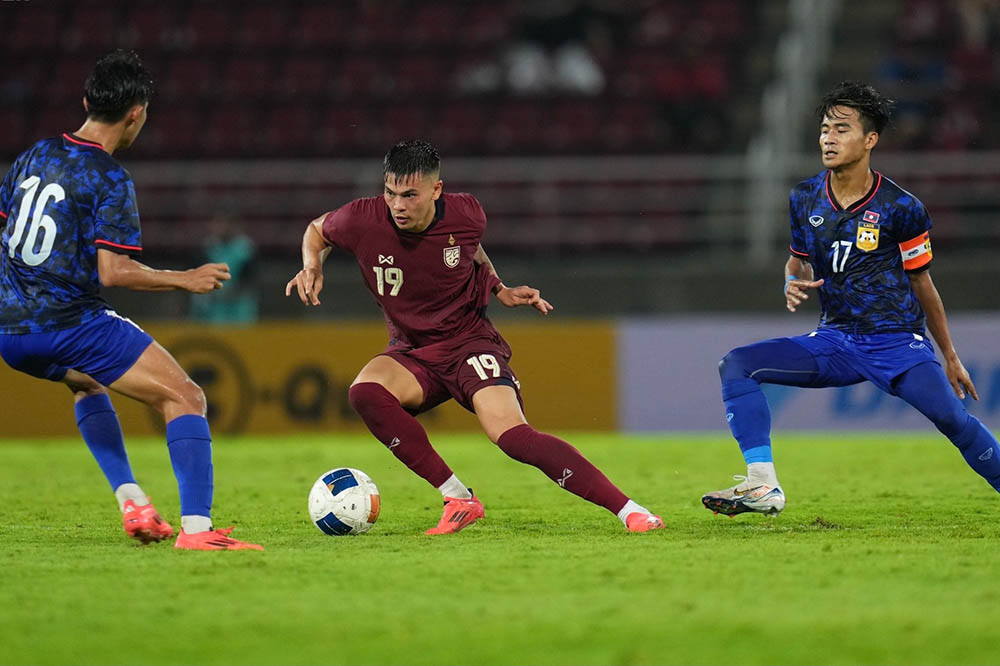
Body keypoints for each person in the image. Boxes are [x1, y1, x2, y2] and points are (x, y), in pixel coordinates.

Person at [285, 139, 663, 534]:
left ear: (436, 190)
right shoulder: (361, 219)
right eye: (391, 193)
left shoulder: (467, 213)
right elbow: (317, 230)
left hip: (469, 343)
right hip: (413, 350)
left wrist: (499, 288)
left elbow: (471, 248)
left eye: (410, 195)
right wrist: (312, 265)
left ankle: (630, 511)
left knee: (514, 437)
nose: (398, 205)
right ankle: (459, 498)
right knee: (364, 392)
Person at [0, 50, 261, 550]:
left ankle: (132, 500)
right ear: (136, 113)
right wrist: (184, 279)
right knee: (186, 397)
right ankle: (198, 532)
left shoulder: (34, 155)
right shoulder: (108, 177)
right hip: (71, 322)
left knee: (87, 385)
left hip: (12, 331)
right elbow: (114, 272)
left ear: (86, 101)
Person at [702, 81, 1000, 517]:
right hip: (835, 340)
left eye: (841, 129)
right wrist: (791, 280)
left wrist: (950, 356)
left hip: (895, 342)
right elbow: (796, 262)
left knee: (954, 421)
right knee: (738, 364)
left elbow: (923, 285)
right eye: (825, 129)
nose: (828, 138)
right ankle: (763, 485)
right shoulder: (804, 198)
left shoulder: (902, 207)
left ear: (870, 140)